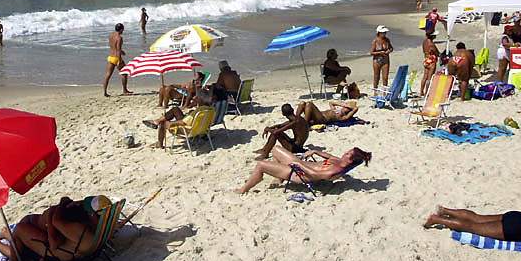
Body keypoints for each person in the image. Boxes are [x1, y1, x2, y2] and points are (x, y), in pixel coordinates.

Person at [0, 196, 104, 261]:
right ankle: (11, 237)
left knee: (20, 230)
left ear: (92, 214)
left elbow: (53, 244)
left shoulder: (80, 230)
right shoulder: (100, 224)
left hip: (57, 253)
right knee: (27, 223)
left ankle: (0, 242)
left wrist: (57, 210)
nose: (81, 205)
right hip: (64, 244)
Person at [234, 145, 371, 194]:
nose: (344, 153)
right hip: (299, 165)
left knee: (261, 165)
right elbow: (327, 155)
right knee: (275, 149)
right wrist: (314, 151)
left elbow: (314, 174)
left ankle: (243, 189)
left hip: (298, 174)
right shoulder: (339, 161)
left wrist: (298, 164)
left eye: (347, 154)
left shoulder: (335, 170)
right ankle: (279, 177)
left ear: (350, 160)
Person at [423, 205, 521, 247]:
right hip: (519, 230)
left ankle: (446, 211)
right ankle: (438, 219)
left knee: (477, 218)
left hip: (520, 216)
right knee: (472, 227)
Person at [143, 84, 224, 147]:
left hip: (188, 130)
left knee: (163, 123)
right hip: (200, 127)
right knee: (175, 109)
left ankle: (159, 143)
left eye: (197, 97)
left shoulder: (199, 112)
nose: (195, 97)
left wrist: (170, 123)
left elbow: (183, 122)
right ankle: (157, 121)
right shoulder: (210, 110)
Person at [102, 23, 132, 97]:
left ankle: (105, 92)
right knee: (124, 73)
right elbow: (118, 49)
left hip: (111, 57)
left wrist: (121, 51)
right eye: (123, 30)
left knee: (108, 75)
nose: (123, 31)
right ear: (121, 29)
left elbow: (113, 47)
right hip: (117, 57)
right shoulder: (119, 38)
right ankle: (125, 90)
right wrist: (119, 60)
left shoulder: (111, 35)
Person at [370, 25, 393, 90]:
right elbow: (371, 52)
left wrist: (389, 51)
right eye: (383, 32)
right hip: (377, 61)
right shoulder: (375, 41)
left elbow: (391, 48)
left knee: (385, 77)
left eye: (385, 32)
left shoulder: (387, 40)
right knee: (376, 77)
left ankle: (384, 91)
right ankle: (375, 90)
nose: (384, 34)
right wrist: (380, 53)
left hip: (385, 60)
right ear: (379, 33)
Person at [420, 31, 440, 96]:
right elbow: (437, 53)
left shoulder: (424, 42)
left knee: (424, 77)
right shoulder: (432, 44)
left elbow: (424, 51)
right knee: (429, 78)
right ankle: (426, 92)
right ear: (432, 36)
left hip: (426, 60)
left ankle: (421, 91)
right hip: (432, 61)